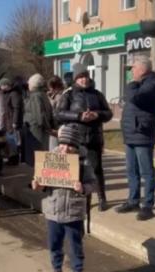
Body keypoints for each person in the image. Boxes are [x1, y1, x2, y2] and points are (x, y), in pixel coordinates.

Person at [31, 124, 96, 272]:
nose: (65, 149)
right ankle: (56, 271)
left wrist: (83, 188)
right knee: (54, 243)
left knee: (75, 244)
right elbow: (41, 181)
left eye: (70, 146)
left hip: (73, 211)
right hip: (53, 209)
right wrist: (37, 185)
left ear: (76, 146)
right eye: (63, 144)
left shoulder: (83, 161)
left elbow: (93, 184)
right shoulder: (51, 158)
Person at [56, 64, 112, 212]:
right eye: (80, 77)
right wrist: (79, 116)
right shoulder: (69, 95)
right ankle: (80, 196)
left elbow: (109, 114)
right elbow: (59, 114)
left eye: (85, 76)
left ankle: (102, 198)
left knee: (96, 169)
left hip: (94, 137)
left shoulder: (97, 94)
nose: (84, 80)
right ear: (75, 79)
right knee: (77, 169)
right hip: (76, 139)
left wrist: (97, 115)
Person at [116, 55, 155, 220]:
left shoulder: (152, 83)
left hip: (142, 133)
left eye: (133, 68)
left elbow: (136, 98)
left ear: (142, 69)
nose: (131, 71)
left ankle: (148, 205)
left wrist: (132, 84)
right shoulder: (141, 84)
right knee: (131, 170)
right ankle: (133, 200)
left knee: (146, 172)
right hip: (130, 133)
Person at [22, 73, 55, 165]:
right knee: (41, 156)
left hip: (36, 130)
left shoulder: (35, 96)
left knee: (37, 157)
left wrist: (46, 127)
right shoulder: (43, 95)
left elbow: (39, 115)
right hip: (41, 130)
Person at [47, 76, 65, 150]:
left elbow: (56, 112)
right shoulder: (54, 96)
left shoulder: (60, 97)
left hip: (56, 126)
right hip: (55, 125)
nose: (49, 89)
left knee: (55, 149)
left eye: (50, 87)